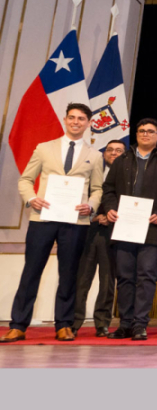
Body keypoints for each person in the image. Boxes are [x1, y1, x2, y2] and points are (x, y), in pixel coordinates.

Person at [1, 103, 104, 344]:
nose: (76, 122)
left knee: (68, 273)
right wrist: (31, 198)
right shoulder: (44, 148)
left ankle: (64, 325)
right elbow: (26, 180)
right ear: (65, 120)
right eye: (72, 118)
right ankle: (18, 325)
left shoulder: (95, 155)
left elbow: (98, 188)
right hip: (43, 219)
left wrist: (91, 205)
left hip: (76, 222)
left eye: (81, 118)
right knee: (31, 271)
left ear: (88, 123)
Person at [102, 118, 157, 341]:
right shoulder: (122, 160)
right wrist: (109, 208)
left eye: (150, 131)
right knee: (125, 277)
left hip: (152, 227)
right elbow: (108, 190)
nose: (145, 134)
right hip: (124, 226)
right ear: (136, 134)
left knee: (146, 276)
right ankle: (125, 324)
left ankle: (139, 324)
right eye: (141, 131)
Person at [72, 139, 126, 337]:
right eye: (110, 150)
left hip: (112, 232)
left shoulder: (128, 177)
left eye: (119, 150)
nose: (113, 153)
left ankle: (102, 323)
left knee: (107, 280)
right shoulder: (90, 172)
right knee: (81, 278)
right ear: (104, 154)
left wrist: (109, 217)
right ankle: (74, 322)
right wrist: (94, 216)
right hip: (87, 229)